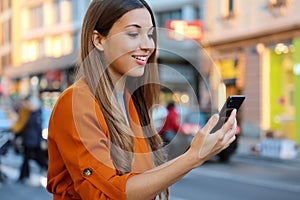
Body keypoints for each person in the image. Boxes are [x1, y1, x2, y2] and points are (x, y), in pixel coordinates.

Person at [46, 0, 237, 199]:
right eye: (133, 33)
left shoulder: (130, 102)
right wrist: (192, 157)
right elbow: (108, 193)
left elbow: (143, 178)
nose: (148, 45)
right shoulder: (76, 102)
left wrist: (197, 152)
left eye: (150, 34)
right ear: (99, 40)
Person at [11, 96, 47, 183]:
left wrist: (41, 140)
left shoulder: (37, 115)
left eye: (31, 104)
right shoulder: (30, 113)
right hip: (28, 140)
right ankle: (23, 175)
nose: (29, 106)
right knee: (29, 158)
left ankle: (47, 168)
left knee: (35, 158)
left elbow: (39, 129)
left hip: (33, 141)